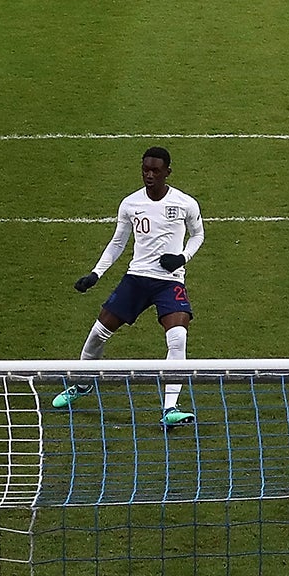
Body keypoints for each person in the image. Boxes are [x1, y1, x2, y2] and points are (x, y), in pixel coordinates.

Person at [53, 147, 204, 430]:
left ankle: (170, 408)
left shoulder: (185, 203)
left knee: (178, 337)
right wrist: (96, 274)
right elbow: (118, 243)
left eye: (155, 170)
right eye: (145, 169)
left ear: (168, 172)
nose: (149, 174)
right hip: (136, 279)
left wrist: (182, 257)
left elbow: (198, 235)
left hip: (169, 282)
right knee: (98, 334)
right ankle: (82, 385)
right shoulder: (130, 204)